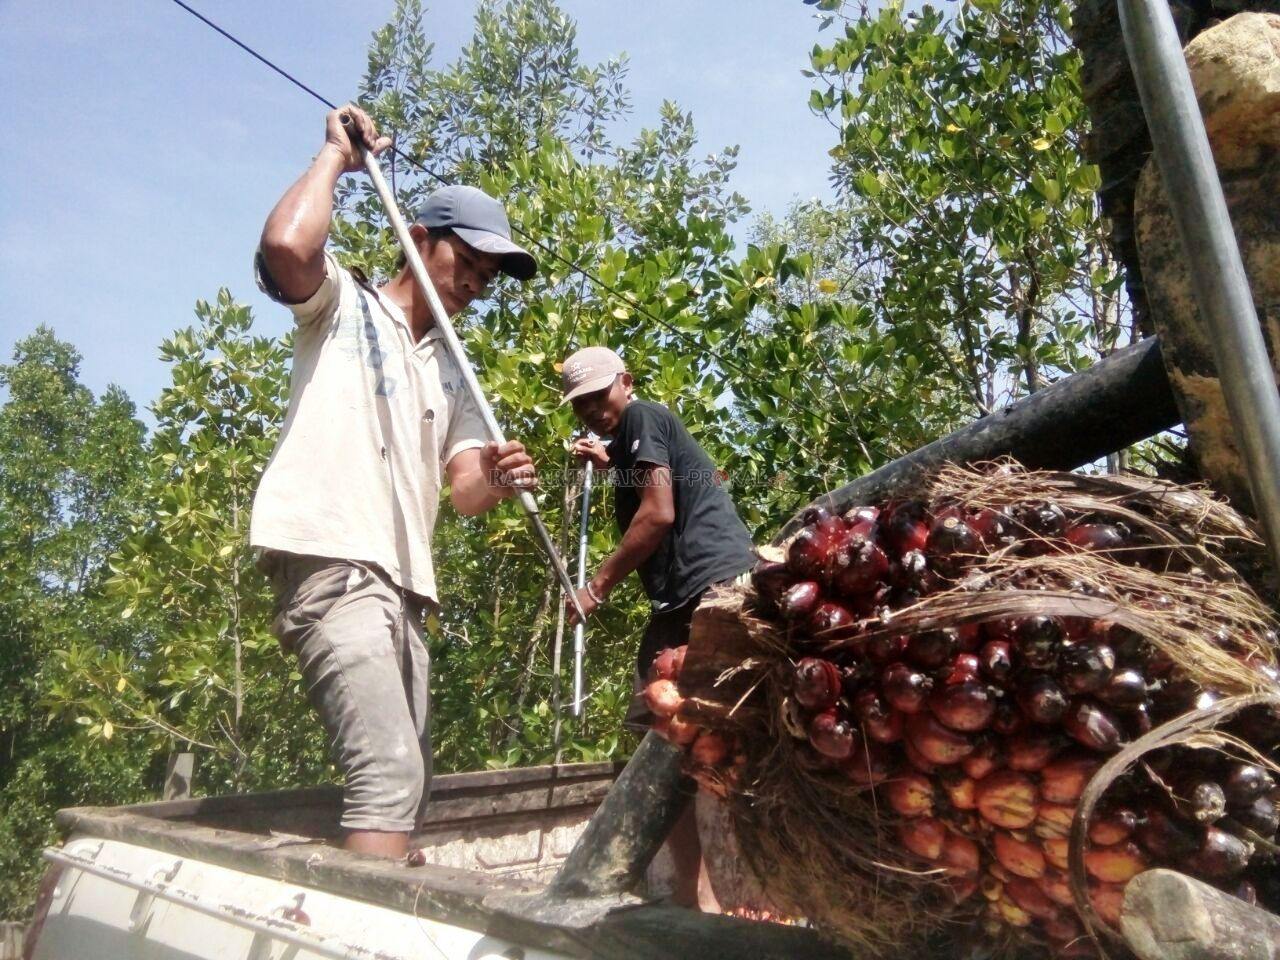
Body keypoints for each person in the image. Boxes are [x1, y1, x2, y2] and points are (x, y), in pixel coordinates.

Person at [251, 104, 539, 859]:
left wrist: (501, 477)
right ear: (417, 241)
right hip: (334, 561)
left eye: (487, 275)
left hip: (404, 591)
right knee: (387, 775)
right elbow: (286, 247)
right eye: (465, 260)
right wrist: (333, 162)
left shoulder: (455, 371)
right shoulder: (344, 307)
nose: (476, 281)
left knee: (410, 790)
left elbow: (468, 493)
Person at [560, 346, 757, 911]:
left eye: (600, 395)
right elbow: (662, 474)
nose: (594, 410)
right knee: (662, 730)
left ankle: (722, 900)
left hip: (708, 587)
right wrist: (611, 461)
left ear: (627, 380)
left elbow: (659, 512)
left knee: (695, 736)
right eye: (582, 406)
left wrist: (595, 587)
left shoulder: (644, 415)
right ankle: (695, 900)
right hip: (683, 595)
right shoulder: (633, 439)